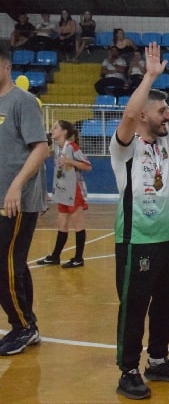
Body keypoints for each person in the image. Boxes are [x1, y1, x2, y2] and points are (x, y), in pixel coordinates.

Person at [110, 42, 169, 399]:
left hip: (168, 238)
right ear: (145, 116)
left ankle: (159, 359)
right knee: (134, 307)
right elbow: (128, 117)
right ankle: (129, 369)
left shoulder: (165, 141)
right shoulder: (125, 146)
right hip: (136, 240)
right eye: (162, 111)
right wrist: (149, 78)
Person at [0, 48, 49, 356]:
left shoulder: (22, 101)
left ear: (5, 67)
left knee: (4, 267)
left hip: (16, 201)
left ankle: (23, 326)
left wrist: (16, 186)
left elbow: (41, 148)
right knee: (13, 264)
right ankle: (27, 323)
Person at [36, 120, 91, 268]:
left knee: (78, 224)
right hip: (62, 189)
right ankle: (55, 256)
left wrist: (70, 161)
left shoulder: (72, 147)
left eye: (55, 128)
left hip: (74, 190)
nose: (52, 130)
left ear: (64, 132)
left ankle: (78, 258)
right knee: (61, 224)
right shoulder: (55, 146)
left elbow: (87, 166)